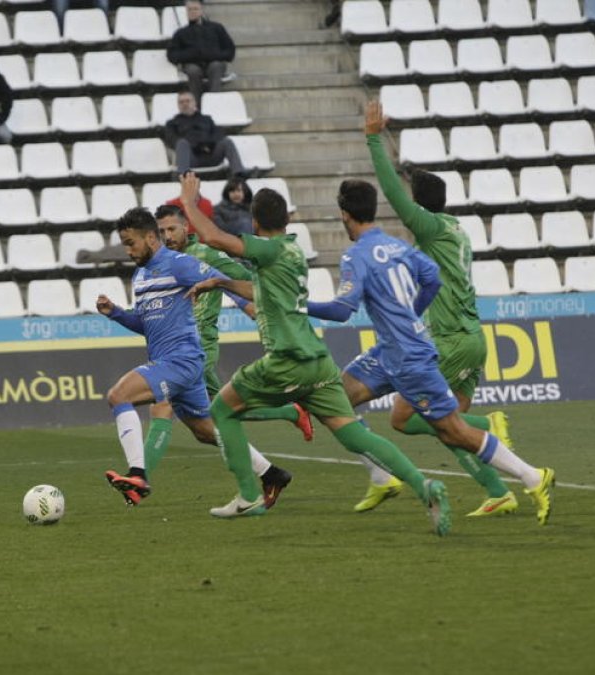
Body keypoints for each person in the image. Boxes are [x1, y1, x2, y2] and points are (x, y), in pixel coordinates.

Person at [182, 174, 452, 532]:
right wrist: (224, 282)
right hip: (319, 362)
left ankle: (250, 495)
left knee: (221, 410)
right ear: (288, 220)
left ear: (256, 223)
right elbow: (263, 288)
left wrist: (188, 202)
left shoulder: (268, 249)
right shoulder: (291, 250)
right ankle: (425, 486)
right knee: (354, 434)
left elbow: (214, 238)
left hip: (286, 359)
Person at [306, 180, 556, 526]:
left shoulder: (356, 255)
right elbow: (433, 277)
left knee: (453, 431)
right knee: (337, 395)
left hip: (410, 358)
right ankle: (381, 476)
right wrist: (412, 312)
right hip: (389, 352)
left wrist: (296, 306)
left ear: (345, 215)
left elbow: (342, 309)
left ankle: (532, 476)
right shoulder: (398, 246)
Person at [331, 99, 524, 518]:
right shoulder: (457, 229)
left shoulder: (432, 229)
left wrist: (374, 139)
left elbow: (396, 197)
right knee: (446, 429)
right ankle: (497, 490)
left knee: (406, 417)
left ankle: (490, 430)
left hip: (450, 338)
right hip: (470, 338)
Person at [96, 207, 293, 510]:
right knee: (206, 431)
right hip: (171, 362)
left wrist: (259, 301)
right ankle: (272, 473)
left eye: (131, 242)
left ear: (151, 237)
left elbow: (224, 281)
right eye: (124, 244)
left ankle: (138, 474)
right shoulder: (140, 276)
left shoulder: (180, 264)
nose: (128, 250)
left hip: (182, 362)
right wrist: (117, 314)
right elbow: (146, 325)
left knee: (118, 395)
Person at [164, 91, 246, 178]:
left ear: (194, 103)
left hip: (211, 154)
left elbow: (218, 134)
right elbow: (172, 140)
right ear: (178, 105)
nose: (185, 104)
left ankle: (239, 175)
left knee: (227, 141)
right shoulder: (172, 123)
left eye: (187, 101)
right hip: (191, 158)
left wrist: (207, 145)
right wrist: (197, 145)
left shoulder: (207, 119)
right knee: (181, 143)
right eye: (181, 102)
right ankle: (184, 178)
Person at [166, 0, 236, 104]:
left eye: (195, 9)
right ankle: (196, 106)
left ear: (201, 10)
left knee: (216, 66)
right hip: (193, 64)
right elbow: (172, 55)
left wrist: (214, 55)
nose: (192, 12)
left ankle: (214, 103)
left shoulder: (217, 28)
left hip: (215, 62)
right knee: (192, 70)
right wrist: (190, 55)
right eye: (189, 9)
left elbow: (230, 50)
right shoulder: (181, 33)